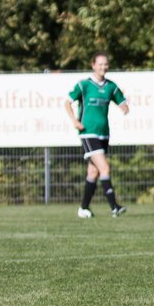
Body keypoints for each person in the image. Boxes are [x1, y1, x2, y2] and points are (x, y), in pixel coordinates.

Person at [64, 52, 130, 218]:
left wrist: (124, 107)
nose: (103, 67)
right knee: (104, 167)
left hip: (104, 134)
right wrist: (75, 121)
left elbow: (122, 102)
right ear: (93, 65)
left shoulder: (110, 86)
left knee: (93, 173)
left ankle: (83, 208)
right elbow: (67, 102)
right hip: (88, 133)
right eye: (100, 64)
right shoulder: (84, 85)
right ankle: (114, 206)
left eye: (106, 64)